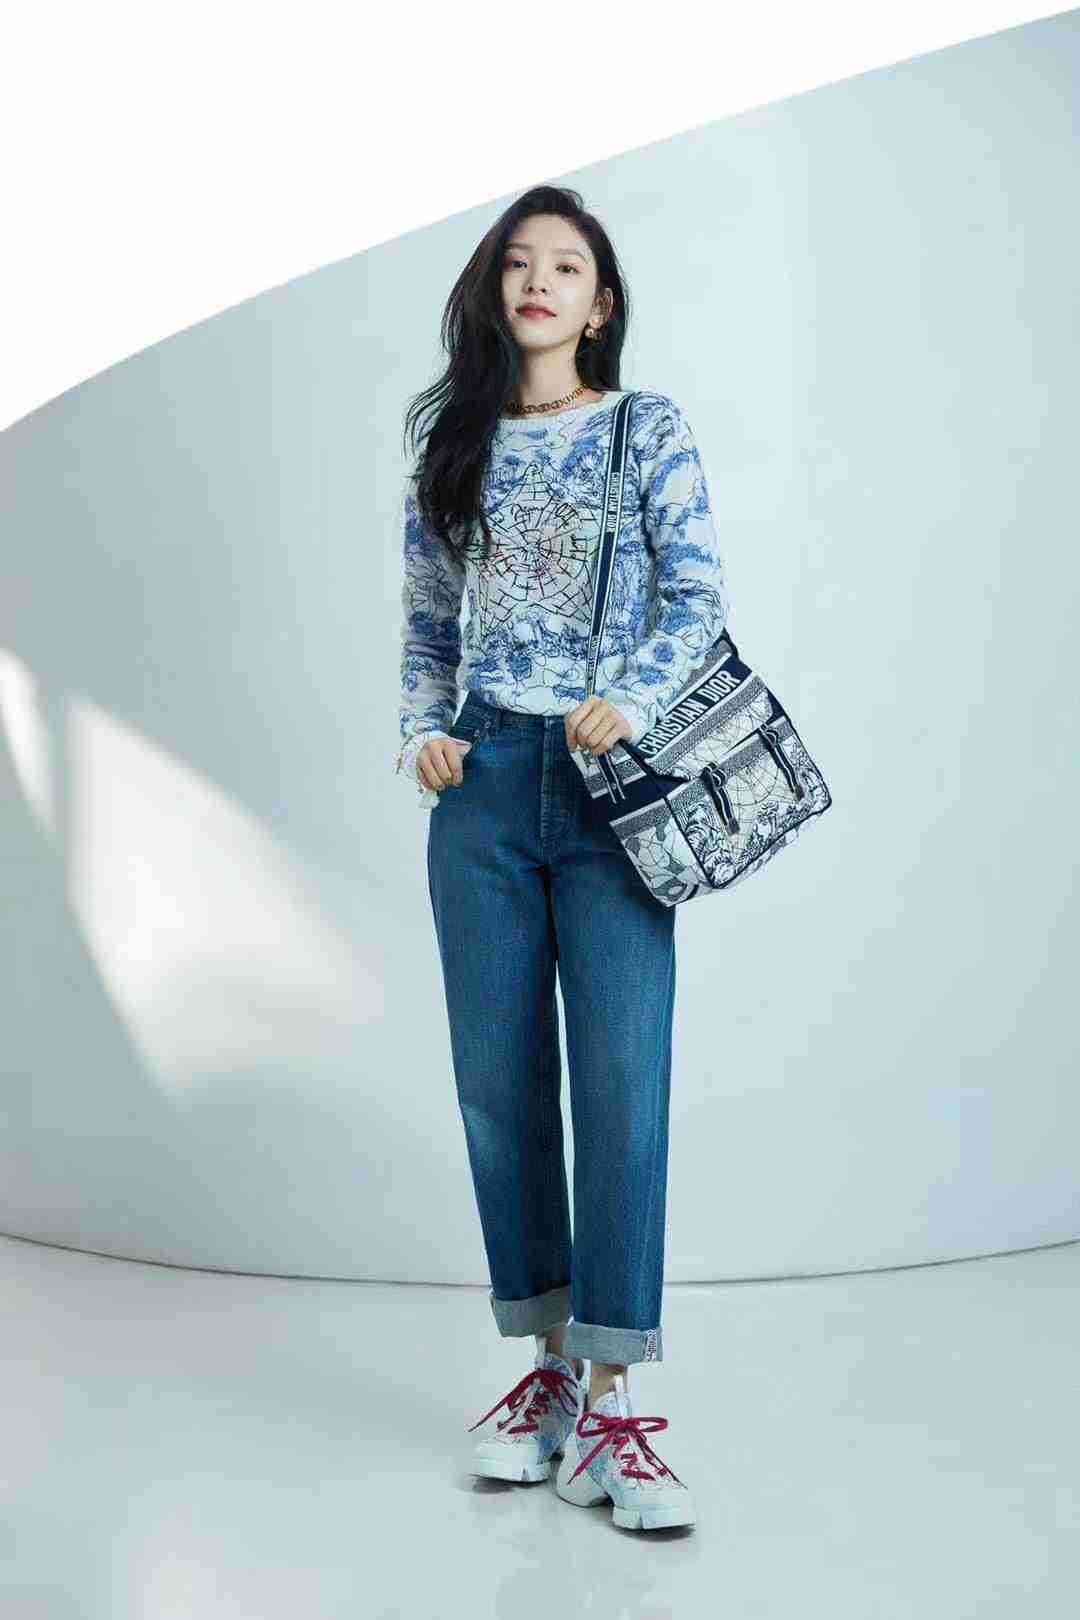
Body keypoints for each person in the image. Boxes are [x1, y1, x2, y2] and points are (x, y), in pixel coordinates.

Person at [393, 184, 731, 1531]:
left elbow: (697, 596)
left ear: (601, 304)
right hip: (480, 785)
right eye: (519, 263)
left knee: (623, 1084)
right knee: (500, 1088)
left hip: (608, 792)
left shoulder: (647, 428)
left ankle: (615, 1403)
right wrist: (423, 729)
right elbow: (427, 624)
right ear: (495, 292)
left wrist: (631, 697)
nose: (540, 281)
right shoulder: (455, 447)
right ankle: (543, 1378)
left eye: (568, 266)